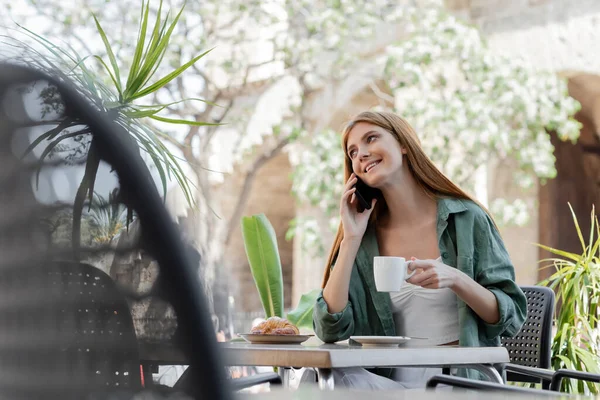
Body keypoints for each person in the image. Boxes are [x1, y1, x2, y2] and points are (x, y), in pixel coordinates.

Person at [312, 111, 527, 390]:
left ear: (403, 144)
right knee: (318, 377)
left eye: (371, 139)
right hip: (388, 384)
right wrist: (351, 239)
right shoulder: (364, 239)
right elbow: (329, 329)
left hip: (455, 382)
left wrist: (456, 279)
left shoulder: (466, 218)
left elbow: (511, 317)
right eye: (352, 152)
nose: (361, 154)